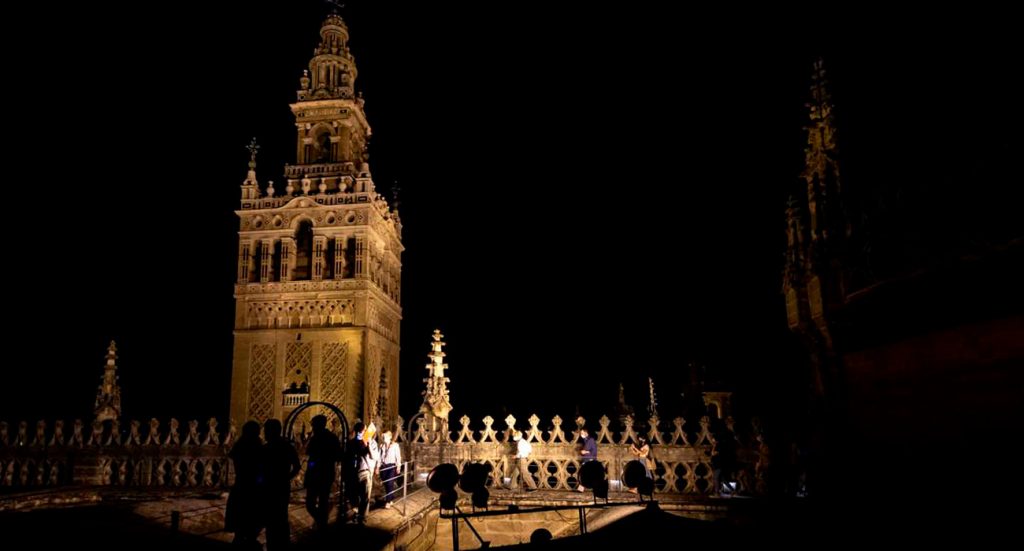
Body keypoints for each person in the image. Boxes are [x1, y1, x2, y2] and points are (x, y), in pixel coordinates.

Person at [261, 419, 301, 550]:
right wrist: (286, 478)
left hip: (269, 486)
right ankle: (282, 543)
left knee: (271, 516)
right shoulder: (287, 446)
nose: (264, 433)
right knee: (281, 515)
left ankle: (274, 544)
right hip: (282, 485)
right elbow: (297, 466)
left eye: (266, 430)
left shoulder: (266, 448)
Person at [225, 420, 262, 549]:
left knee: (240, 515)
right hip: (252, 486)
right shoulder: (256, 445)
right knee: (251, 515)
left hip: (241, 484)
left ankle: (241, 537)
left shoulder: (240, 444)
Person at [304, 415, 342, 531]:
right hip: (322, 473)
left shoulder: (329, 438)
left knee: (318, 502)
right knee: (316, 502)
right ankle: (322, 522)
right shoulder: (323, 437)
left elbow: (337, 455)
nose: (313, 427)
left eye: (313, 424)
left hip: (321, 473)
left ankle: (321, 524)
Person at [353, 422, 380, 523]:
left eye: (365, 431)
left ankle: (362, 517)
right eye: (361, 431)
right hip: (355, 471)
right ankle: (357, 512)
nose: (363, 432)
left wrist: (368, 445)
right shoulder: (354, 442)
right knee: (355, 495)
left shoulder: (373, 443)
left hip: (366, 471)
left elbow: (375, 457)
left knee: (365, 496)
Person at [379, 430, 403, 508]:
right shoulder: (382, 446)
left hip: (391, 467)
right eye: (383, 436)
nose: (383, 437)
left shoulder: (395, 445)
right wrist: (378, 467)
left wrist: (398, 466)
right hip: (383, 467)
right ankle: (391, 497)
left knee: (390, 483)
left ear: (390, 437)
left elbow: (398, 456)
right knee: (386, 484)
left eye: (385, 436)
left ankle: (388, 501)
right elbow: (380, 457)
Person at [577, 428, 597, 492]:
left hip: (589, 460)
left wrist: (585, 452)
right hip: (587, 460)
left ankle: (582, 488)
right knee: (584, 475)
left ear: (586, 433)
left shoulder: (590, 440)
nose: (581, 434)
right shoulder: (586, 440)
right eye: (581, 433)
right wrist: (584, 452)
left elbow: (593, 452)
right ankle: (581, 489)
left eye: (582, 433)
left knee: (585, 475)